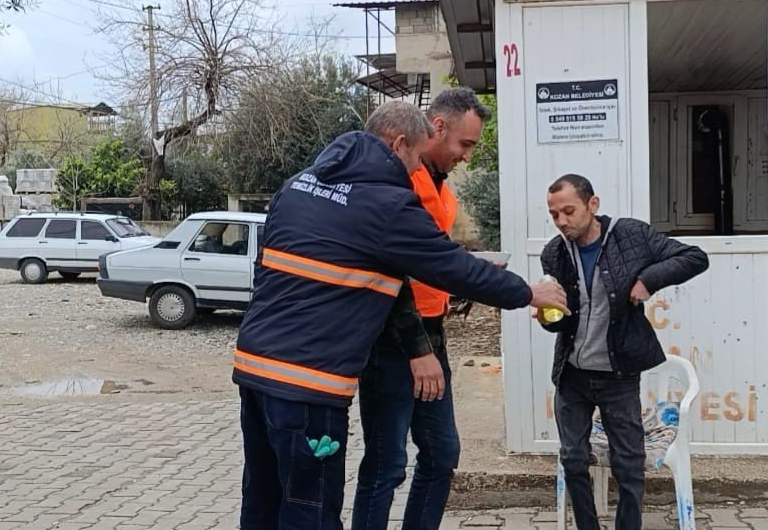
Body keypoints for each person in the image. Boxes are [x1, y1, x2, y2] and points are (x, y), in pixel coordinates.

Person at [234, 100, 567, 530]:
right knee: (310, 511)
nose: (414, 172)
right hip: (309, 386)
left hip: (254, 370)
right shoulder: (387, 204)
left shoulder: (297, 185)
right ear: (398, 143)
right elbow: (454, 267)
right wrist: (529, 293)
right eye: (413, 159)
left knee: (262, 502)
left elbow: (265, 270)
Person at [352, 87, 490, 530]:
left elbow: (433, 256)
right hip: (393, 338)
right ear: (439, 127)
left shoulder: (437, 182)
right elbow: (390, 270)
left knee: (441, 453)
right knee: (387, 463)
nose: (466, 157)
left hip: (431, 332)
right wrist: (417, 350)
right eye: (465, 145)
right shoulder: (399, 177)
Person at [539, 174, 708, 530]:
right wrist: (545, 315)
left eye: (569, 211)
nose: (562, 222)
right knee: (572, 459)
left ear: (592, 204)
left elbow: (695, 257)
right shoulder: (553, 253)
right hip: (572, 374)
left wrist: (649, 280)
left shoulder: (630, 236)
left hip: (618, 375)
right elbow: (558, 323)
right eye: (555, 215)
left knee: (629, 464)